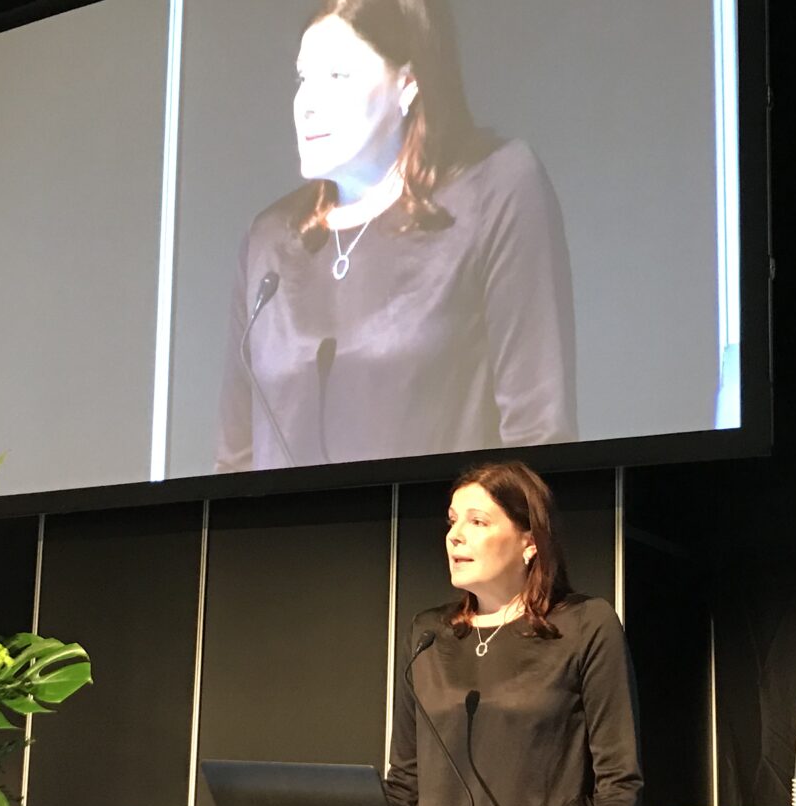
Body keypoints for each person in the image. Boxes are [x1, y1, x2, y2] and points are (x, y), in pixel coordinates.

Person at [215, 0, 576, 473]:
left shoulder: (496, 188)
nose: (307, 103)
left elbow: (538, 436)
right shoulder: (268, 240)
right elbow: (234, 463)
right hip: (283, 524)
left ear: (407, 84)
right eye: (303, 78)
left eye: (337, 76)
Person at [384, 460, 642, 806]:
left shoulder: (586, 625)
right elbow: (405, 783)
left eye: (477, 521)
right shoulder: (428, 634)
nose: (455, 535)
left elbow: (620, 779)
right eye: (452, 521)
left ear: (529, 540)